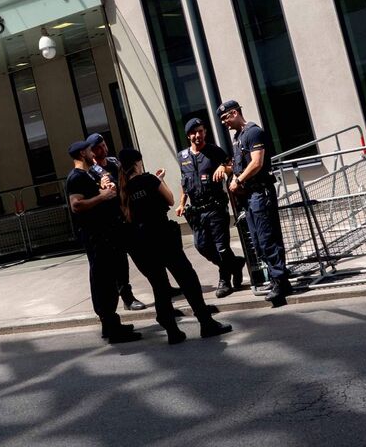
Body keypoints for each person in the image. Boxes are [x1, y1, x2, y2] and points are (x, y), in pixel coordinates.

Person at [118, 148, 232, 344]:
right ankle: (205, 322)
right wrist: (160, 179)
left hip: (143, 243)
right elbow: (170, 200)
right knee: (187, 278)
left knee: (159, 286)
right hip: (163, 237)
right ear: (138, 162)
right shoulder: (149, 180)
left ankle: (171, 329)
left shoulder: (123, 190)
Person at [217, 100, 292, 307]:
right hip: (249, 196)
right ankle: (279, 280)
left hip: (260, 192)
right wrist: (231, 172)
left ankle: (279, 281)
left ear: (234, 113)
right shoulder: (238, 137)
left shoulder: (253, 132)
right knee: (258, 241)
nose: (224, 122)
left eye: (225, 118)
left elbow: (257, 162)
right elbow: (241, 164)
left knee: (267, 238)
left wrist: (239, 179)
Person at [66, 139, 141, 344]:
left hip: (106, 233)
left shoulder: (89, 174)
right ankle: (111, 327)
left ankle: (111, 325)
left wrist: (103, 189)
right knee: (103, 281)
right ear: (83, 153)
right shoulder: (76, 177)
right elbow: (77, 205)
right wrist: (103, 196)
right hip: (96, 236)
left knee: (108, 279)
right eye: (90, 151)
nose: (94, 154)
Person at [177, 118, 246, 297]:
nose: (197, 135)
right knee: (202, 246)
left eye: (200, 131)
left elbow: (232, 165)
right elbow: (184, 182)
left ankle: (225, 280)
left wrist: (224, 168)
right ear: (188, 135)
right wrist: (182, 203)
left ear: (205, 132)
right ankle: (235, 264)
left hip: (215, 207)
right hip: (197, 211)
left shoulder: (214, 151)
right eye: (194, 132)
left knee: (221, 247)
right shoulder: (182, 156)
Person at [86, 133, 148, 312]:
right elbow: (93, 195)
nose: (103, 149)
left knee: (142, 254)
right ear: (91, 151)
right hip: (111, 221)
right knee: (120, 262)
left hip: (126, 215)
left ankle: (162, 284)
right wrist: (102, 187)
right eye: (98, 147)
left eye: (104, 145)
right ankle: (127, 298)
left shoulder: (114, 162)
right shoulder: (91, 172)